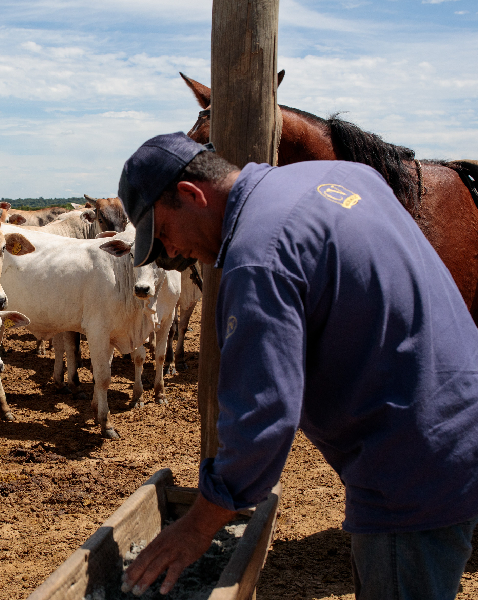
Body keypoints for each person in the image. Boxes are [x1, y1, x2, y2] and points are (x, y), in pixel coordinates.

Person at [117, 132, 478, 599]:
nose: (173, 254)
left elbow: (262, 415)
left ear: (191, 194)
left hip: (410, 466)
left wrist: (197, 526)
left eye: (165, 233)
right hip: (458, 419)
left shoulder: (258, 257)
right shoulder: (344, 175)